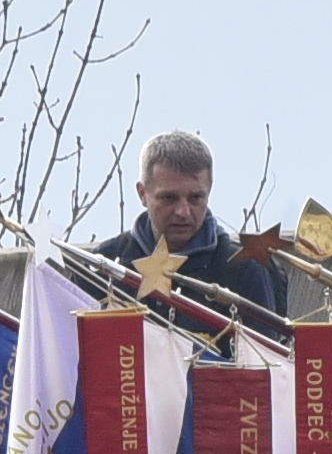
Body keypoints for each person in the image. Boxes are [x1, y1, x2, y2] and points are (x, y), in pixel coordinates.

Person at [110, 129, 291, 324]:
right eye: (169, 198)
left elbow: (265, 353)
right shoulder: (104, 265)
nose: (183, 211)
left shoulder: (245, 270)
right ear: (142, 194)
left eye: (195, 198)